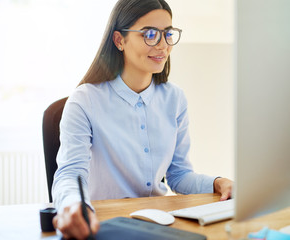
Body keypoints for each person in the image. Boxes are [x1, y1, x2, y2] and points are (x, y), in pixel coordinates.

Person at [51, 0, 233, 239]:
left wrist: (217, 183)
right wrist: (74, 205)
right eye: (150, 34)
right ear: (119, 40)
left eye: (168, 34)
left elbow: (178, 175)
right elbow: (70, 172)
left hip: (161, 225)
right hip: (105, 224)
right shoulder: (85, 100)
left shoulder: (174, 98)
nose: (163, 45)